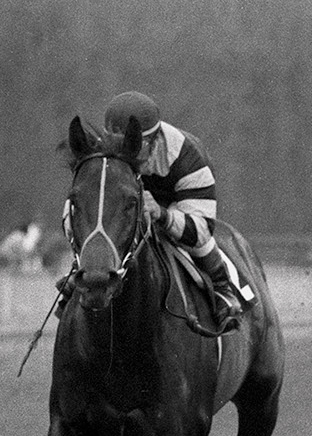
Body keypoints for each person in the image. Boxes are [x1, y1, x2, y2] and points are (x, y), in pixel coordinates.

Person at [62, 91, 255, 329]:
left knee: (196, 241)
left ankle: (222, 287)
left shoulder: (188, 157)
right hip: (132, 199)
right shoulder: (105, 153)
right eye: (118, 144)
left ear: (155, 140)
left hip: (178, 199)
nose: (126, 152)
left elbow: (202, 229)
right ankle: (79, 276)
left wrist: (162, 214)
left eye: (134, 145)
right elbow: (77, 210)